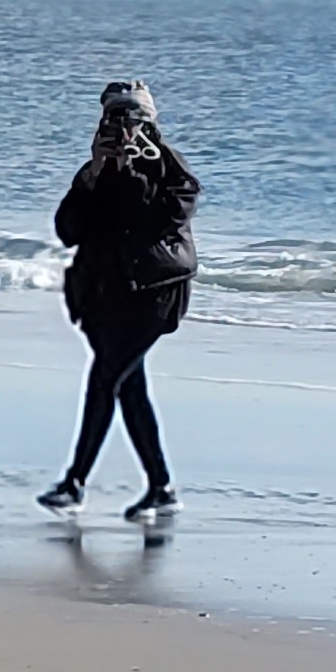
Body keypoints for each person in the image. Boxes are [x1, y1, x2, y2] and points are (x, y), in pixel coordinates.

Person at [41, 81, 199, 522]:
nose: (121, 127)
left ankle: (74, 482)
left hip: (153, 296)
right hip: (103, 296)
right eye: (112, 118)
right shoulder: (96, 169)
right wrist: (93, 173)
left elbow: (159, 221)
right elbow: (68, 231)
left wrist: (130, 168)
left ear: (149, 122)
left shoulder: (170, 171)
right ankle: (161, 487)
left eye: (130, 118)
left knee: (104, 379)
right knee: (129, 387)